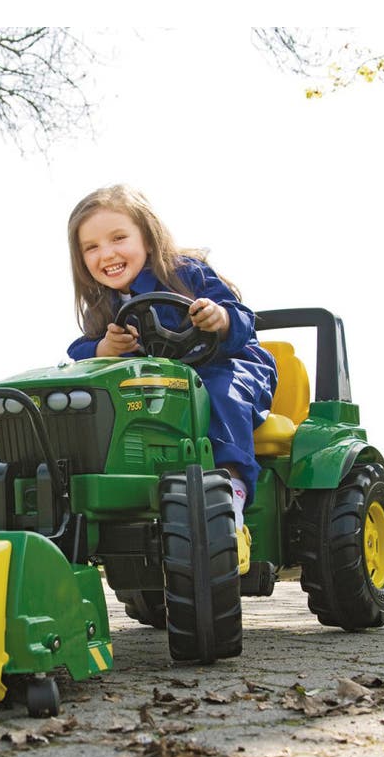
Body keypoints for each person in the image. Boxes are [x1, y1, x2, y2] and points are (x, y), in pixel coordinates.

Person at [66, 183, 278, 574]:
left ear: (146, 237)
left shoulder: (185, 273)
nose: (106, 253)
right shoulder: (104, 304)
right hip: (165, 389)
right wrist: (104, 349)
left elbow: (243, 320)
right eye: (91, 247)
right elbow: (78, 349)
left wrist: (221, 318)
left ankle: (229, 493)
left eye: (118, 238)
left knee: (217, 395)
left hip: (228, 365)